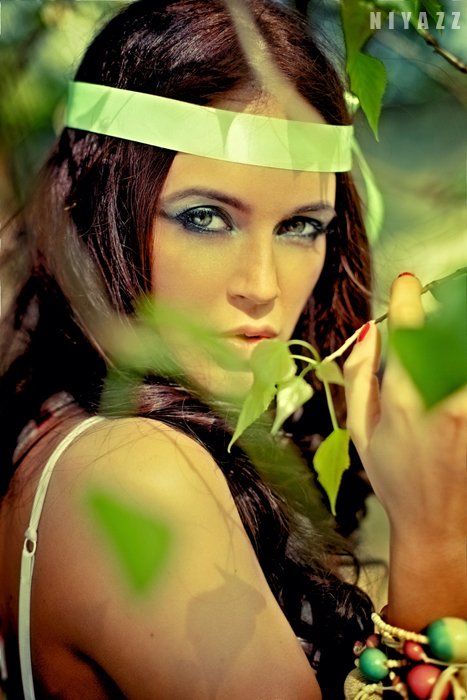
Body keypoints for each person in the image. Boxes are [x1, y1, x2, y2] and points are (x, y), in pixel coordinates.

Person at [0, 1, 465, 698]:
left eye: (300, 226)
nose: (262, 286)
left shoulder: (58, 423)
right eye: (205, 217)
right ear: (100, 212)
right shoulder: (134, 472)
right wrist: (437, 542)